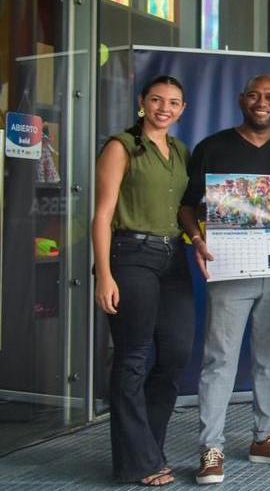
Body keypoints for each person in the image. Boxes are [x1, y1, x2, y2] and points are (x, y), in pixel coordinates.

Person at [178, 75, 270, 485]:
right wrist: (197, 239)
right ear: (241, 100)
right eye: (254, 95)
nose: (261, 102)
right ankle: (210, 447)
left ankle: (264, 437)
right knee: (219, 360)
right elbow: (186, 206)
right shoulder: (212, 147)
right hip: (229, 270)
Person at [92, 75, 192, 487]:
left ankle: (147, 448)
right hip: (131, 255)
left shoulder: (181, 151)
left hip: (174, 257)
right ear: (142, 102)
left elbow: (184, 208)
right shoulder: (121, 146)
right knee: (132, 357)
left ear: (182, 109)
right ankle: (139, 462)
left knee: (175, 354)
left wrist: (201, 239)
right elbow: (102, 214)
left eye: (173, 102)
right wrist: (103, 274)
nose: (164, 108)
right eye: (156, 100)